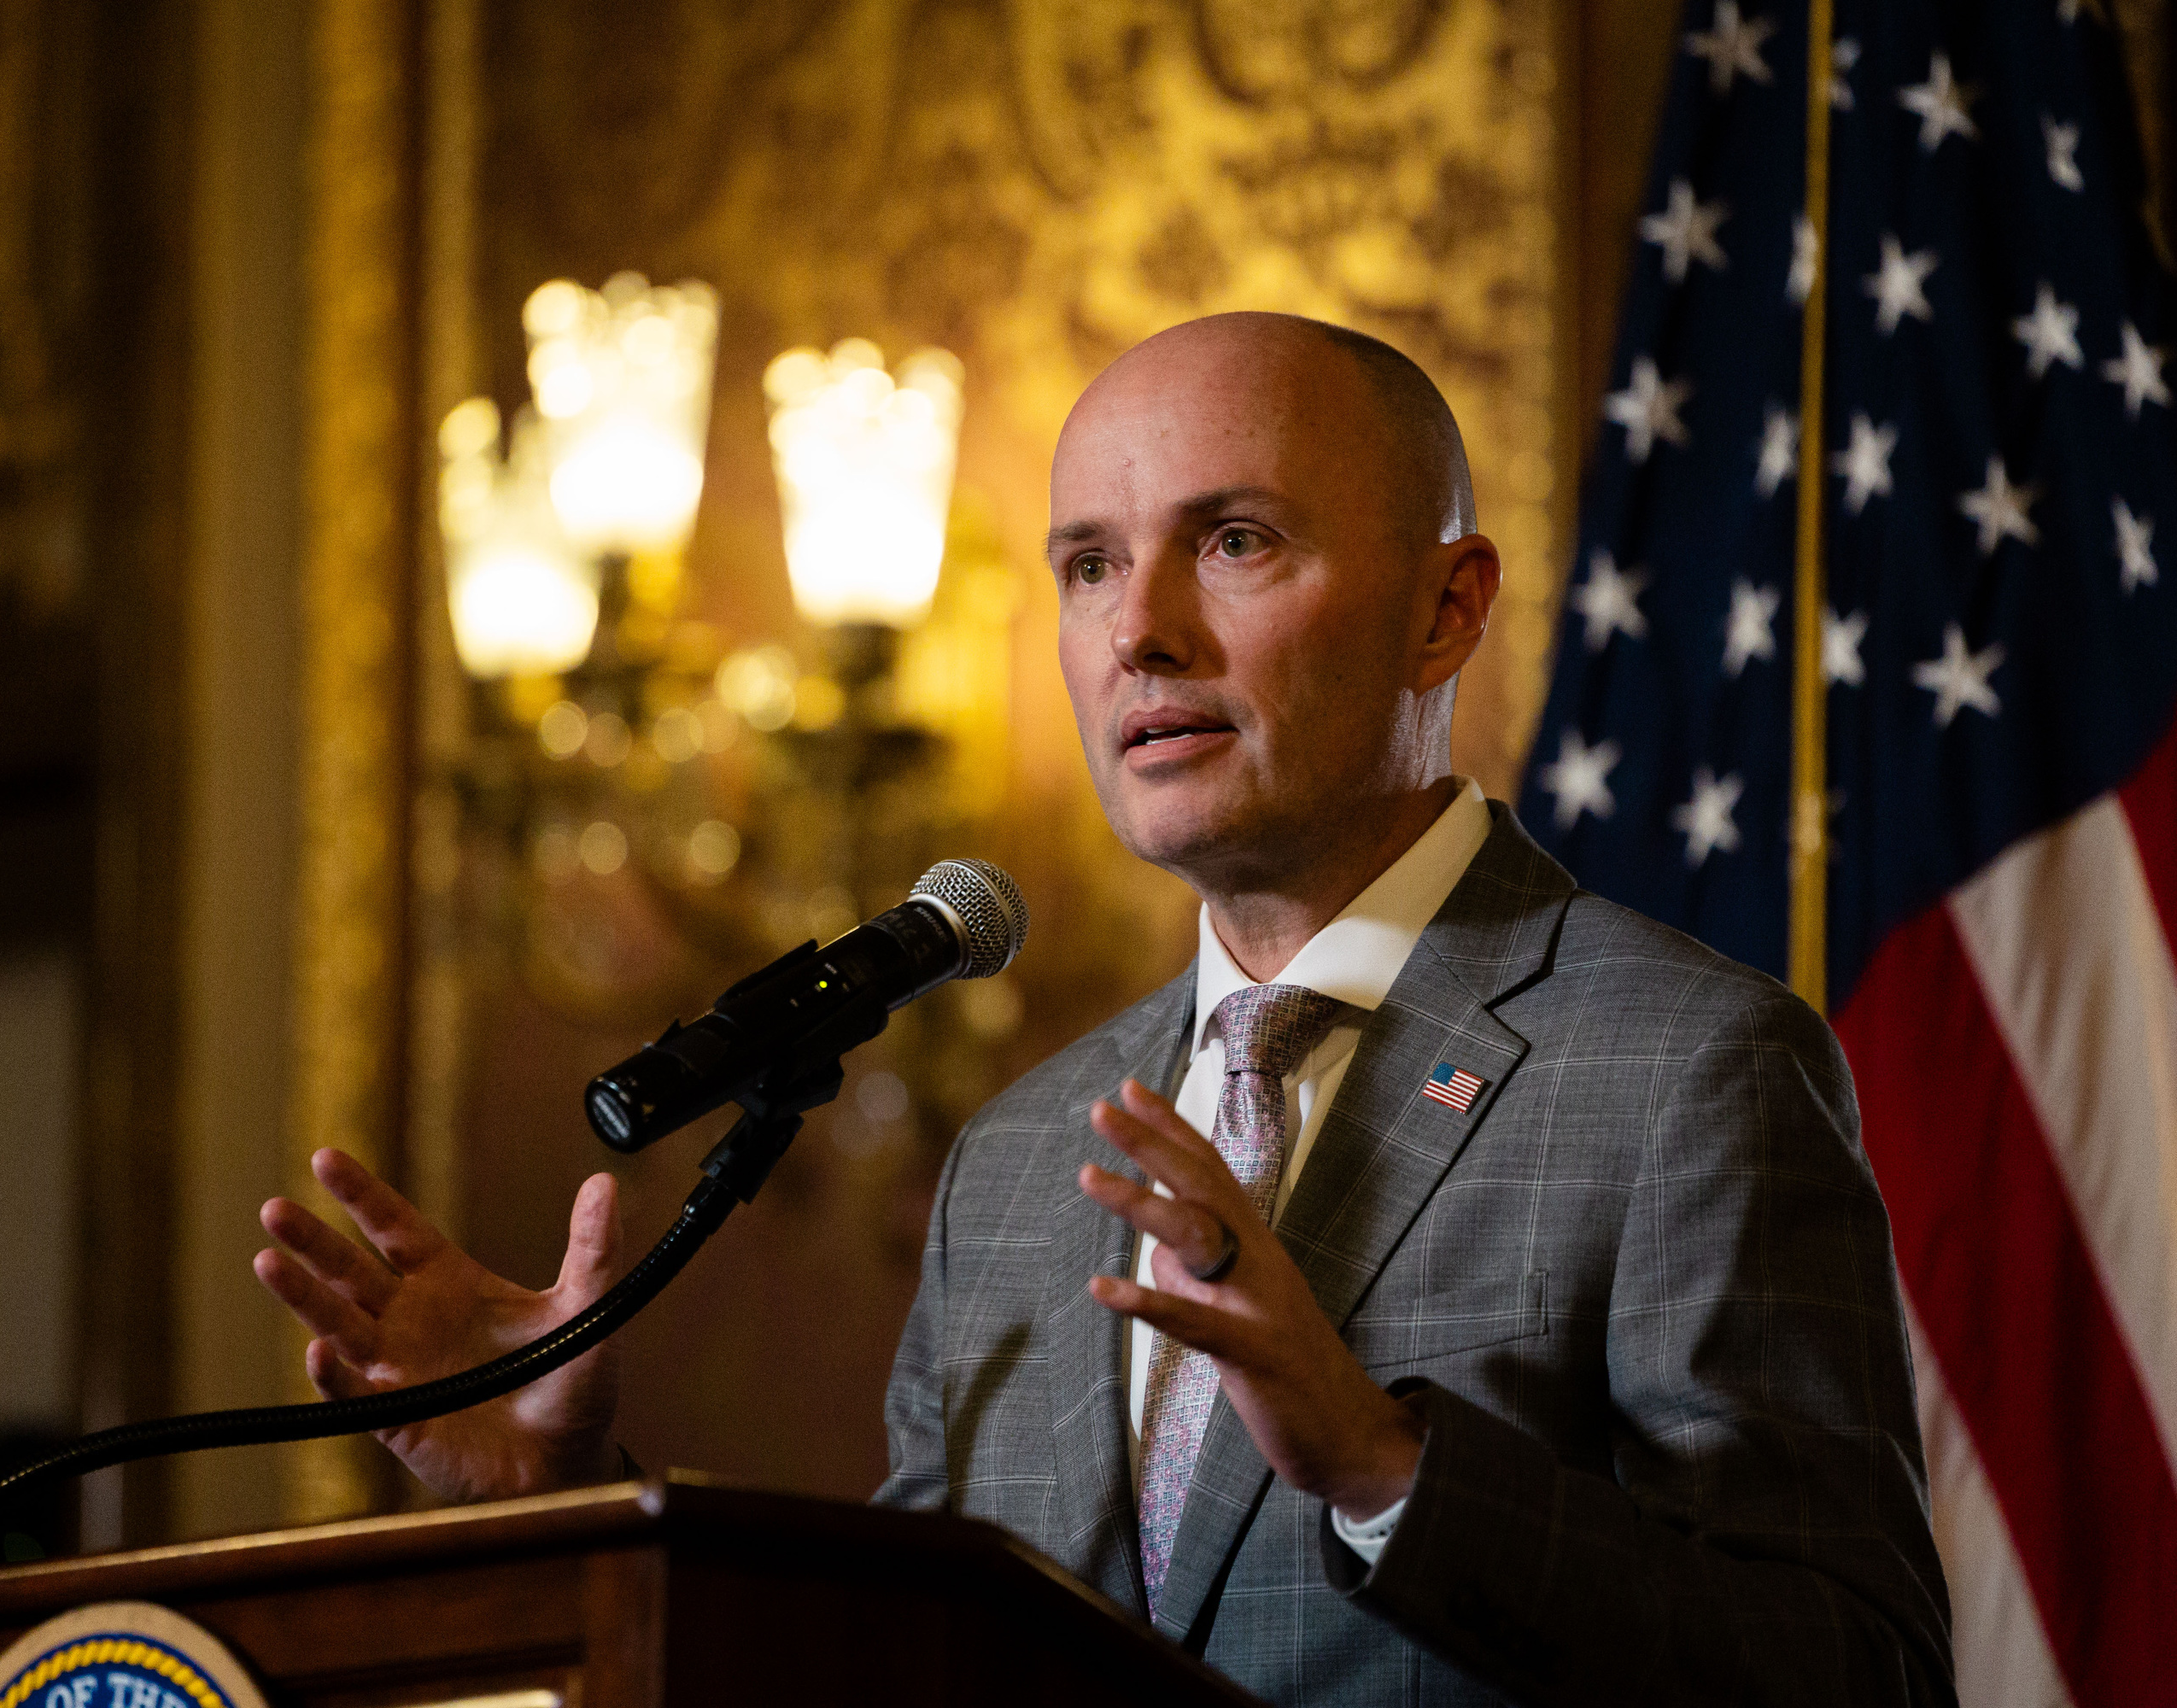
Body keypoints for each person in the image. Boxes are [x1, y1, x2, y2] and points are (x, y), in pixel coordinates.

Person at [255, 313, 1956, 1704]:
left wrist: (1383, 1465)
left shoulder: (1685, 1068)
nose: (1138, 632)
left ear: (1447, 611)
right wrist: (579, 1505)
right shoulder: (1013, 1160)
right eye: (1084, 565)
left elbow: (1856, 1675)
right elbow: (906, 1681)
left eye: (1233, 541)